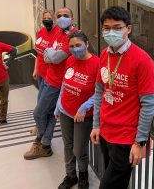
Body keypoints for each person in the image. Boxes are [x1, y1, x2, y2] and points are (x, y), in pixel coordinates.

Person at [90, 6, 154, 189]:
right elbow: (99, 92)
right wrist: (96, 124)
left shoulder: (142, 61)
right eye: (107, 27)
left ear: (128, 28)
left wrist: (140, 142)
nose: (111, 32)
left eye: (117, 27)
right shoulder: (104, 54)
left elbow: (149, 104)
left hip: (126, 139)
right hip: (105, 133)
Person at [24, 7, 78, 160]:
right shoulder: (59, 33)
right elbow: (47, 55)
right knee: (47, 113)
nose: (62, 18)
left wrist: (50, 55)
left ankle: (41, 140)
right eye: (59, 15)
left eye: (65, 16)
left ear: (72, 19)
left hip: (58, 82)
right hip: (48, 77)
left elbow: (54, 58)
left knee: (39, 113)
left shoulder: (74, 36)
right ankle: (44, 143)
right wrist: (49, 55)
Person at [55, 31, 99, 189]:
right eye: (72, 46)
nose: (75, 49)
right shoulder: (70, 60)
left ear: (87, 44)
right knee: (67, 145)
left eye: (78, 45)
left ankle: (83, 175)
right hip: (65, 110)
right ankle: (71, 175)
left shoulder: (97, 64)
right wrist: (58, 105)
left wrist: (85, 106)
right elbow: (64, 84)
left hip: (83, 115)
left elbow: (100, 92)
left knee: (79, 149)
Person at [30, 10, 60, 135]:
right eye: (44, 18)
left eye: (49, 18)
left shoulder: (58, 33)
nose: (46, 20)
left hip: (51, 76)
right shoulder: (41, 32)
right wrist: (36, 68)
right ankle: (39, 126)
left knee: (44, 107)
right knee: (39, 101)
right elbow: (38, 53)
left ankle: (43, 135)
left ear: (54, 19)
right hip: (41, 73)